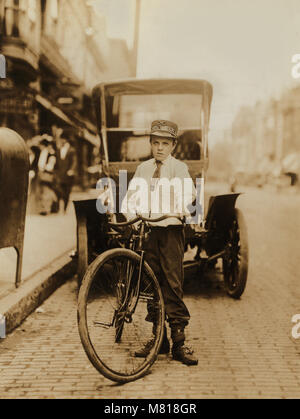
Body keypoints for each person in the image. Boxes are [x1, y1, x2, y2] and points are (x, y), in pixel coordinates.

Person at [121, 120, 198, 366]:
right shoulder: (143, 169)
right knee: (152, 283)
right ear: (151, 144)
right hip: (150, 232)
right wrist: (132, 217)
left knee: (172, 283)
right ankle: (158, 339)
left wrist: (176, 209)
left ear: (173, 145)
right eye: (156, 143)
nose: (160, 148)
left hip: (171, 231)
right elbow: (131, 197)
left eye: (165, 143)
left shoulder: (179, 168)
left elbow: (188, 195)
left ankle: (178, 342)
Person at [36, 136, 59, 215]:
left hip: (47, 174)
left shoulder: (50, 153)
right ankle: (45, 208)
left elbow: (50, 165)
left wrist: (44, 169)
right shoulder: (45, 152)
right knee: (44, 192)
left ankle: (46, 209)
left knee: (47, 192)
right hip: (43, 173)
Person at [56, 134, 77, 212]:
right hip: (60, 174)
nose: (61, 141)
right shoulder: (59, 149)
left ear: (65, 140)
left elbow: (74, 161)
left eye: (62, 139)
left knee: (67, 192)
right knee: (58, 190)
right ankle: (58, 208)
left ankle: (64, 208)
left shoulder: (71, 150)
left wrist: (71, 170)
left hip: (68, 175)